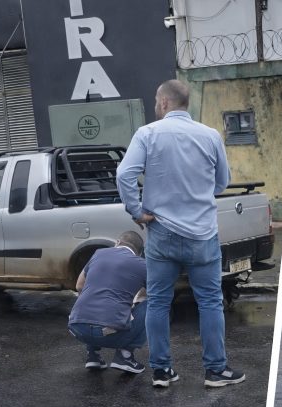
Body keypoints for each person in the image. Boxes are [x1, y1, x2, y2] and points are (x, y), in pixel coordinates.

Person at [116, 79, 245, 389]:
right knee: (210, 302)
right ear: (186, 103)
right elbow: (221, 183)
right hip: (202, 233)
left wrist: (137, 211)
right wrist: (198, 194)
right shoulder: (211, 135)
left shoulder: (147, 134)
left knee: (159, 302)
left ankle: (161, 371)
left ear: (163, 103)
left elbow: (124, 174)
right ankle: (215, 370)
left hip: (162, 232)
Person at [68, 231, 148, 374]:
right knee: (152, 306)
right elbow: (156, 294)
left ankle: (93, 355)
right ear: (139, 252)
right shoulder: (142, 264)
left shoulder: (99, 253)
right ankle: (125, 356)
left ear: (117, 242)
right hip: (107, 333)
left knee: (91, 304)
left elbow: (79, 286)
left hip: (77, 328)